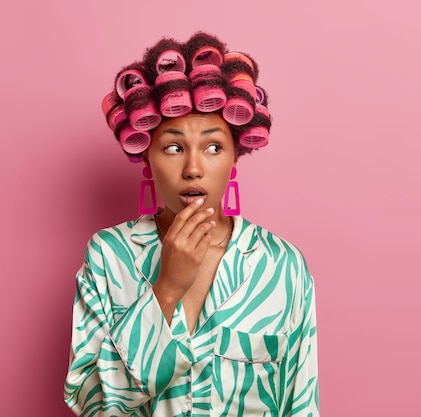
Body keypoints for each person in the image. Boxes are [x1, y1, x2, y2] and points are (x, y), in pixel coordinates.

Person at [63, 32, 319, 417]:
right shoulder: (109, 256)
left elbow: (300, 404)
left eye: (214, 147)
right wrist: (166, 290)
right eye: (173, 147)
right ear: (146, 157)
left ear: (236, 156)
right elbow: (91, 404)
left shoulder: (282, 266)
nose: (194, 168)